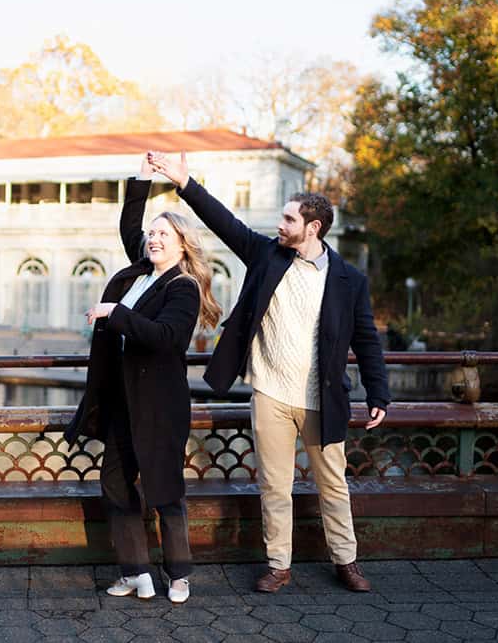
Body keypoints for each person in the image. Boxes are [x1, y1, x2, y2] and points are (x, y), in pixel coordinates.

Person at [147, 151, 390, 593]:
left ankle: (346, 561)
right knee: (273, 487)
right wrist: (185, 182)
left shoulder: (348, 279)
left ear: (312, 228)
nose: (279, 225)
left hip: (323, 397)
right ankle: (279, 565)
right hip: (271, 394)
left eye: (288, 219)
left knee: (333, 486)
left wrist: (379, 394)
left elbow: (366, 341)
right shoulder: (266, 255)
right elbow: (226, 223)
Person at [65, 153, 221, 604]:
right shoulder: (140, 271)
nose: (152, 238)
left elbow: (167, 338)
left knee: (164, 490)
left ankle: (178, 574)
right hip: (120, 402)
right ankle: (137, 572)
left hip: (158, 406)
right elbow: (129, 222)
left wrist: (116, 314)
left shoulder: (182, 287)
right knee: (114, 485)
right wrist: (143, 178)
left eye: (163, 235)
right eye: (151, 234)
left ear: (182, 246)